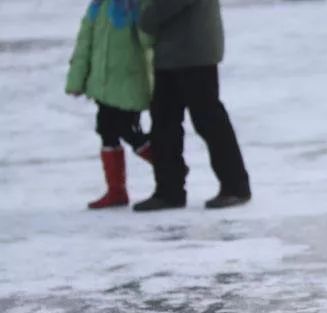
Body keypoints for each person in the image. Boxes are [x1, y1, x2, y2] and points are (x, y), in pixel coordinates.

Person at [133, 0, 251, 211]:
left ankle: (235, 186)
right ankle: (169, 191)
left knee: (207, 119)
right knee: (163, 122)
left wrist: (147, 17)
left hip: (195, 51)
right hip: (170, 53)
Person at [66, 0, 153, 209]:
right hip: (103, 86)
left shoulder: (135, 6)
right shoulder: (98, 7)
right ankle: (116, 190)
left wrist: (157, 86)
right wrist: (76, 80)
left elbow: (149, 45)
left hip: (129, 84)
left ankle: (168, 167)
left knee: (129, 131)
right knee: (106, 130)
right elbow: (84, 44)